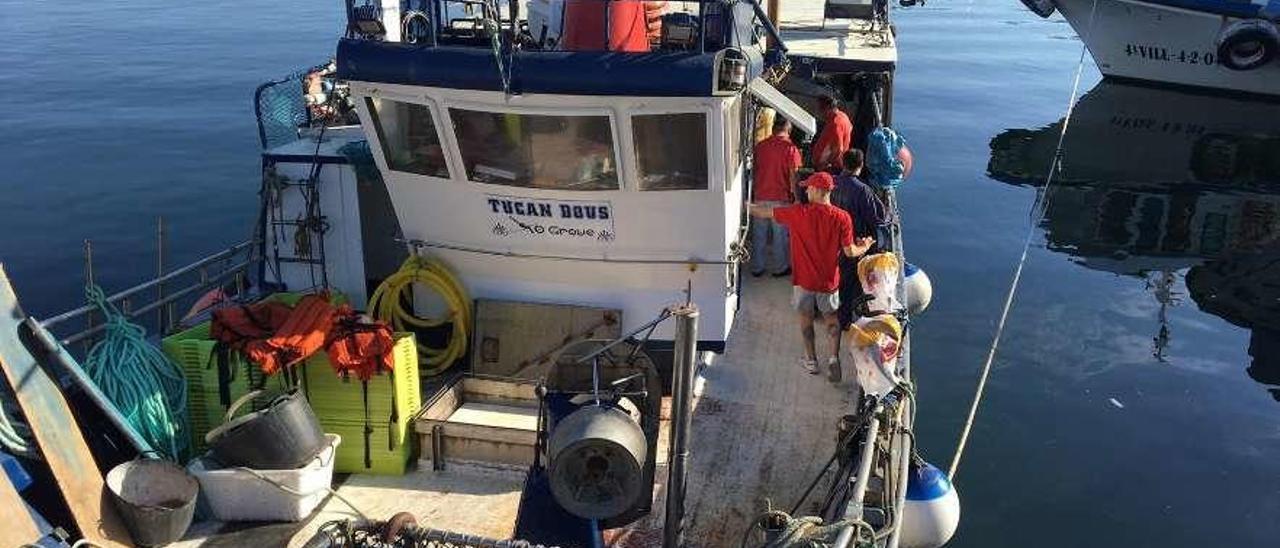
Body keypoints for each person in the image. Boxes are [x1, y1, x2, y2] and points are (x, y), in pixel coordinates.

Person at [747, 172, 875, 383]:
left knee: (806, 320)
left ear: (817, 190)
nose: (805, 191)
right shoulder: (843, 217)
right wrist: (867, 245)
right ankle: (834, 358)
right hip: (828, 282)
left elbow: (766, 212)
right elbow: (850, 251)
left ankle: (811, 361)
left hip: (804, 282)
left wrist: (746, 207)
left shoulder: (798, 213)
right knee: (831, 320)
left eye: (808, 188)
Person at [831, 148, 889, 329]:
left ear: (843, 162)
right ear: (861, 166)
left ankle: (825, 311)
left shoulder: (830, 183)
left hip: (829, 240)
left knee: (829, 277)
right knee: (848, 283)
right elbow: (877, 218)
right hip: (852, 244)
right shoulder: (863, 191)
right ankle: (844, 319)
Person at [750, 117, 803, 277]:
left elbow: (754, 170)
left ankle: (757, 268)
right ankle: (780, 268)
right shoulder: (790, 148)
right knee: (780, 237)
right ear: (788, 129)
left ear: (773, 129)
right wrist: (797, 197)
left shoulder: (760, 147)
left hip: (760, 196)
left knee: (759, 235)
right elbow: (793, 176)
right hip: (781, 199)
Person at [811, 95, 853, 173]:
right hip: (834, 166)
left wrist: (826, 163)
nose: (819, 113)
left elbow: (838, 149)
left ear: (827, 108)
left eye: (820, 109)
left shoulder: (835, 123)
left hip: (831, 168)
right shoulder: (843, 116)